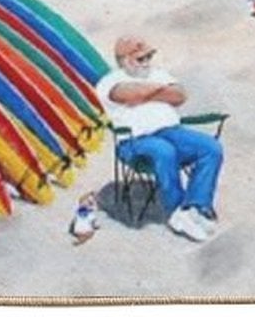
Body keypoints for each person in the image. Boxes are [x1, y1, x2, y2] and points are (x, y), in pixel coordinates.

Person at [96, 36, 223, 242]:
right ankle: (176, 210)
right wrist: (159, 90)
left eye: (149, 56)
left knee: (211, 147)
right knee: (163, 150)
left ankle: (196, 207)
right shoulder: (110, 81)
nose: (147, 61)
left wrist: (143, 94)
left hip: (171, 132)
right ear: (124, 60)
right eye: (141, 58)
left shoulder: (159, 73)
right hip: (134, 141)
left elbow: (179, 95)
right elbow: (128, 93)